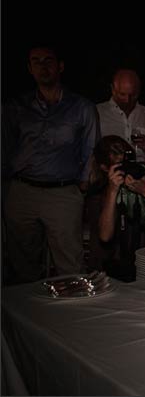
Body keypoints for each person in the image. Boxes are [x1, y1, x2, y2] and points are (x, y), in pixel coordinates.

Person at [1, 44, 100, 283]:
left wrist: (84, 183)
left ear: (60, 66)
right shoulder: (15, 107)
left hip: (63, 193)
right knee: (22, 263)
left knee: (70, 264)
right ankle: (26, 316)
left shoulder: (81, 107)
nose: (43, 66)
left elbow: (91, 148)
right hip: (22, 192)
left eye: (48, 60)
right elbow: (4, 148)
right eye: (36, 61)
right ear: (29, 68)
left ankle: (70, 317)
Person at [97, 69, 145, 163]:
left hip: (141, 169)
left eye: (133, 95)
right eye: (122, 94)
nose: (127, 100)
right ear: (113, 89)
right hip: (111, 170)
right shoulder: (98, 112)